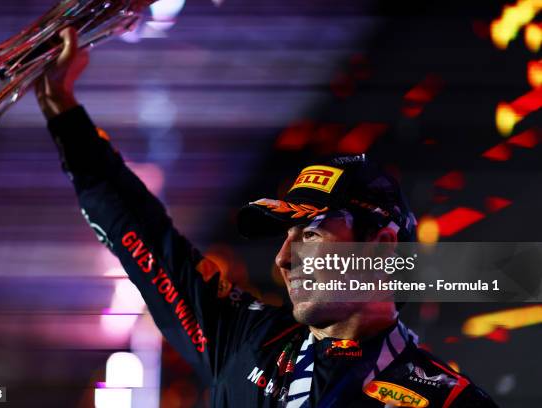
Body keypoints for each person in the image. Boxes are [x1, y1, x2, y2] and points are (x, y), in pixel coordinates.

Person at [35, 28, 498, 407]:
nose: (283, 258)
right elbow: (144, 236)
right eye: (287, 234)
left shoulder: (448, 403)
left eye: (312, 233)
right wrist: (63, 110)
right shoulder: (248, 340)